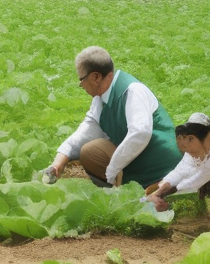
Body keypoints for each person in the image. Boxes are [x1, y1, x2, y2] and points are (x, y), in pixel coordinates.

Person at [43, 47, 182, 189]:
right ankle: (131, 186)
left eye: (82, 79)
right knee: (90, 152)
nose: (81, 85)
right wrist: (58, 163)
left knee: (96, 154)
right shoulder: (100, 100)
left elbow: (141, 133)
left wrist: (112, 170)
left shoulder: (132, 91)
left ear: (96, 77)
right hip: (139, 159)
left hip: (163, 163)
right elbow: (83, 135)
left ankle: (153, 186)